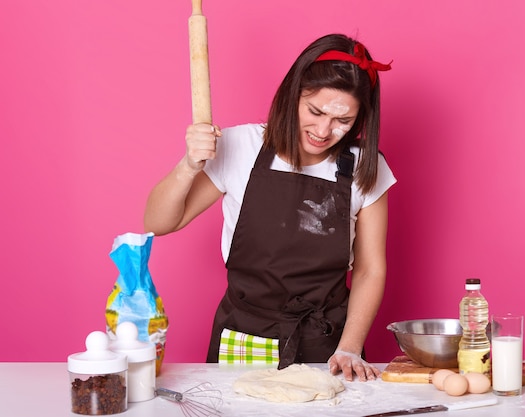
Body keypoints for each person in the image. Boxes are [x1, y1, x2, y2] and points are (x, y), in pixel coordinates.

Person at [144, 33, 395, 382]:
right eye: (315, 111)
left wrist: (350, 346)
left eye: (343, 121)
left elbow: (370, 270)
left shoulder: (366, 166)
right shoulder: (240, 146)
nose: (324, 130)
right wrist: (188, 165)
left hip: (329, 343)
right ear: (294, 95)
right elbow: (158, 222)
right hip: (244, 336)